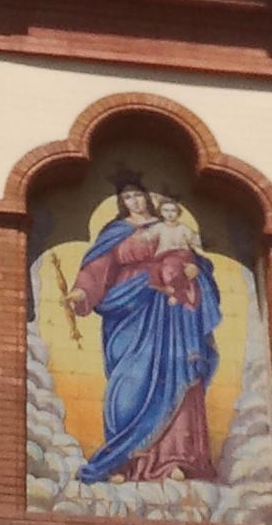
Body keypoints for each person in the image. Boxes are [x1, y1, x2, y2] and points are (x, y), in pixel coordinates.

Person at [67, 180, 223, 484]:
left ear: (147, 198)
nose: (134, 201)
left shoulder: (167, 225)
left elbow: (192, 255)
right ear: (121, 201)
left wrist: (194, 270)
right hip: (128, 310)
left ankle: (175, 459)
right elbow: (97, 267)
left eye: (138, 195)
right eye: (127, 197)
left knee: (176, 373)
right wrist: (81, 292)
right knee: (129, 384)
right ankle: (123, 463)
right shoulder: (115, 232)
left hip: (170, 310)